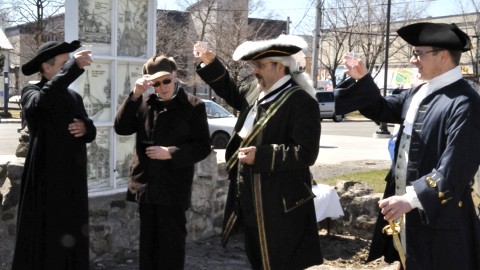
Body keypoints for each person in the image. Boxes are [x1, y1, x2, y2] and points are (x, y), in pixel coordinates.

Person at [334, 22, 480, 269]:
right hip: (409, 215)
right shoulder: (420, 92)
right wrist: (362, 79)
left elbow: (455, 168)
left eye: (418, 53)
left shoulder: (465, 103)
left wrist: (411, 199)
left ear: (443, 56)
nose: (413, 61)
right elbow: (380, 107)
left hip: (440, 219)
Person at [194, 34, 323, 270]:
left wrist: (261, 155)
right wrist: (211, 63)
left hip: (281, 200)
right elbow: (230, 91)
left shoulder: (301, 102)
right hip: (250, 191)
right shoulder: (256, 90)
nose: (255, 71)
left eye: (260, 65)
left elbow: (306, 153)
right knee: (256, 255)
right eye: (254, 65)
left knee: (279, 260)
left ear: (280, 66)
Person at [114, 55, 211, 269]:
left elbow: (203, 147)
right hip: (147, 187)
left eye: (166, 80)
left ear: (175, 76)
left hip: (173, 189)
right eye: (156, 83)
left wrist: (172, 153)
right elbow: (121, 128)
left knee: (171, 249)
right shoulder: (144, 103)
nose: (162, 87)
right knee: (148, 249)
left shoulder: (194, 106)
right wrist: (135, 94)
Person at [12, 40, 97, 269]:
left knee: (72, 233)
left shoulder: (73, 97)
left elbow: (90, 129)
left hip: (72, 182)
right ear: (46, 67)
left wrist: (86, 127)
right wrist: (74, 68)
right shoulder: (32, 91)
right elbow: (39, 106)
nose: (67, 67)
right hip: (45, 180)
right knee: (45, 235)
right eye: (63, 64)